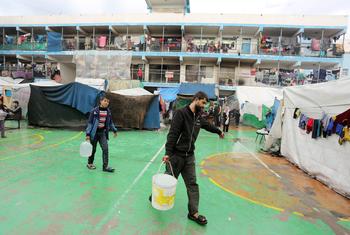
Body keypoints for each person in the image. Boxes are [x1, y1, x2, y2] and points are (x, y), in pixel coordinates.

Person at [152, 91, 224, 226]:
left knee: (192, 184)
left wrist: (219, 131)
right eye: (202, 103)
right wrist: (168, 153)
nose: (203, 106)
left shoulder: (198, 116)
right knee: (168, 180)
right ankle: (155, 196)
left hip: (189, 157)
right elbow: (173, 134)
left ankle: (193, 213)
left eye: (205, 104)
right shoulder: (181, 113)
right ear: (196, 99)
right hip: (176, 157)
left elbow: (207, 126)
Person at [85, 96, 117, 173]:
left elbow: (110, 122)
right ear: (101, 101)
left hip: (102, 133)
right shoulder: (94, 111)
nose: (106, 103)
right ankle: (90, 163)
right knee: (93, 149)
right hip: (94, 133)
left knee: (105, 149)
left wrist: (114, 130)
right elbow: (90, 123)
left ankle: (105, 167)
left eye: (108, 102)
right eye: (105, 101)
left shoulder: (108, 111)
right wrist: (88, 134)